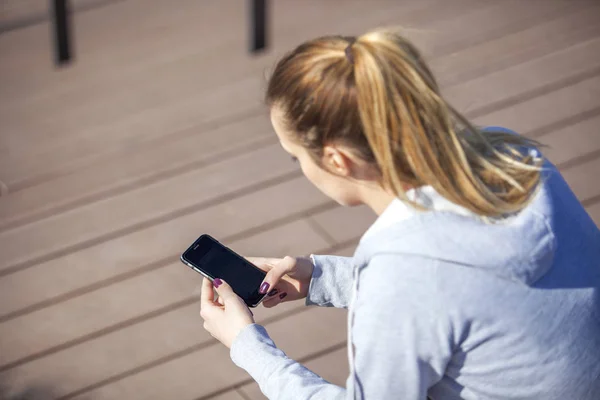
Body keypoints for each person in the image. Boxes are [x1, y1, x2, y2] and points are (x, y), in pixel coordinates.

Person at [199, 29, 600, 399]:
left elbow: (421, 287)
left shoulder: (403, 277)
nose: (300, 167)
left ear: (337, 160)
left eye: (295, 157)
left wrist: (248, 347)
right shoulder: (510, 158)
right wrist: (323, 278)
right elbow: (455, 289)